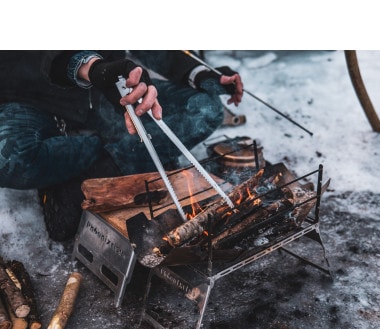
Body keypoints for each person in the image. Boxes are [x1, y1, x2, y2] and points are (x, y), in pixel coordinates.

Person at [0, 50, 244, 241]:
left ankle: (102, 164)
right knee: (10, 160)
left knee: (205, 109)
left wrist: (200, 73)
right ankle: (118, 156)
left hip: (103, 90)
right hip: (30, 98)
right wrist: (91, 66)